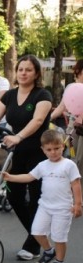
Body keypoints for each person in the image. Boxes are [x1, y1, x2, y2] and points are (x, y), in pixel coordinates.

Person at [0, 54, 53, 261]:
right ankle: (37, 236)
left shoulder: (42, 95)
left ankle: (33, 244)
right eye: (20, 69)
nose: (23, 73)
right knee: (13, 196)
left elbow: (38, 120)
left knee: (35, 199)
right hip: (16, 154)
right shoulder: (8, 95)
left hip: (37, 154)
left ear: (36, 74)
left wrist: (18, 136)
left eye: (28, 70)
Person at [2, 129, 82, 263]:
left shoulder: (68, 165)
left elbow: (76, 184)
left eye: (57, 148)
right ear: (43, 150)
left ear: (62, 147)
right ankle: (48, 251)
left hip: (63, 208)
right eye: (49, 149)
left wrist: (78, 204)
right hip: (45, 206)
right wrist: (10, 177)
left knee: (59, 237)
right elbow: (28, 177)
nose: (53, 152)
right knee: (36, 231)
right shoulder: (43, 165)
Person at [51, 59, 83, 189]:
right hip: (72, 130)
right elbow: (62, 107)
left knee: (80, 161)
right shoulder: (71, 87)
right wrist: (46, 119)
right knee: (71, 160)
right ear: (78, 71)